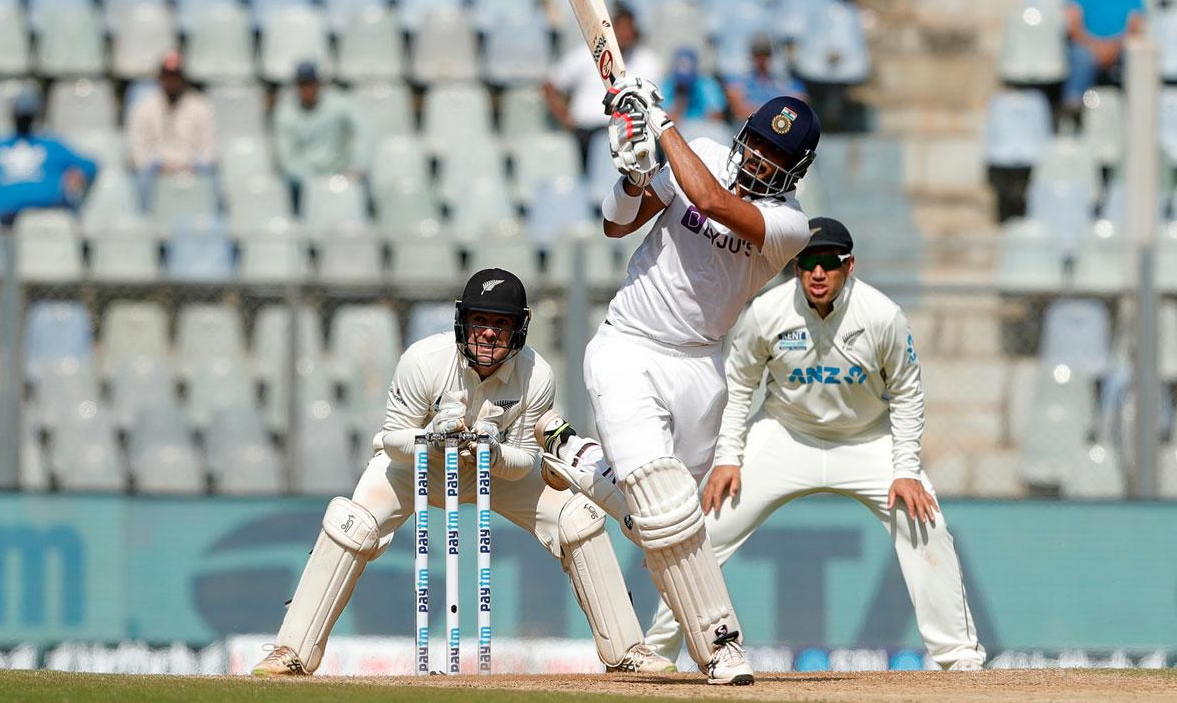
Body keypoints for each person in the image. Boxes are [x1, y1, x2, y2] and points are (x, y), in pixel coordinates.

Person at [251, 268, 674, 677]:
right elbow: (392, 440)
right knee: (352, 524)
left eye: (500, 323)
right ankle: (292, 651)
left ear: (518, 329)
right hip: (418, 465)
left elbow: (527, 458)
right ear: (462, 321)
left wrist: (494, 454)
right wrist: (429, 439)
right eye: (479, 321)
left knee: (577, 518)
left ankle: (625, 650)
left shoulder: (535, 374)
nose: (488, 333)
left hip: (497, 469)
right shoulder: (423, 360)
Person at [552, 82, 820, 685]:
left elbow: (714, 203)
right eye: (755, 147)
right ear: (744, 135)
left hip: (701, 368)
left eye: (774, 160)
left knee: (670, 525)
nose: (756, 162)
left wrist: (661, 125)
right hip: (629, 345)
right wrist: (634, 176)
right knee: (664, 506)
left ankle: (585, 463)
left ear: (795, 170)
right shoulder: (700, 149)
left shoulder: (790, 226)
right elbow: (616, 226)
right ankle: (722, 646)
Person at [641, 217, 987, 671]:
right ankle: (657, 653)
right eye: (807, 262)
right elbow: (739, 384)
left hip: (866, 439)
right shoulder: (766, 312)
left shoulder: (882, 316)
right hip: (786, 434)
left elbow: (906, 393)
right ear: (796, 265)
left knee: (926, 522)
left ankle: (959, 658)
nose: (817, 274)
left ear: (850, 266)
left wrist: (905, 469)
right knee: (707, 528)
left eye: (829, 263)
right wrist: (728, 458)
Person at [544, 2, 662, 172]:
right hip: (588, 132)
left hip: (632, 133)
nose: (625, 34)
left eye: (629, 29)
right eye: (621, 28)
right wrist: (566, 118)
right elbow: (551, 86)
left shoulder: (647, 61)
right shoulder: (586, 55)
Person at [0, 88, 97, 227]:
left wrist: (77, 175)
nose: (24, 120)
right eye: (21, 116)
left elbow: (90, 166)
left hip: (48, 216)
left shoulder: (51, 145)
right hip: (5, 221)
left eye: (27, 116)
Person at [273, 61, 372, 215]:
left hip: (339, 171)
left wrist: (356, 166)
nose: (307, 89)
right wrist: (313, 181)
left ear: (318, 84)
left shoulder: (338, 104)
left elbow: (365, 131)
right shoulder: (285, 114)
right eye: (303, 84)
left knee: (362, 185)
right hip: (303, 180)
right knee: (287, 186)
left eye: (311, 83)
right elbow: (287, 159)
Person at [1062, 0, 1143, 122]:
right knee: (1080, 56)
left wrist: (1114, 47)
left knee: (1136, 55)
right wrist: (1096, 47)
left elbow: (1135, 27)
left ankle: (1136, 111)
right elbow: (1074, 28)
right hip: (1088, 47)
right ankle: (1073, 107)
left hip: (1119, 48)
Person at [125, 51, 216, 178]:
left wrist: (188, 166)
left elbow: (208, 149)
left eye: (176, 75)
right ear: (160, 76)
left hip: (191, 169)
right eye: (167, 74)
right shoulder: (143, 107)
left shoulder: (200, 106)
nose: (172, 80)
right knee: (141, 175)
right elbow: (137, 151)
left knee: (210, 173)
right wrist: (159, 166)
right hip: (155, 172)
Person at [725, 35, 808, 122]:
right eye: (758, 55)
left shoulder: (785, 82)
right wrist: (777, 112)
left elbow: (797, 109)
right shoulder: (739, 81)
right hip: (749, 127)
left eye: (766, 54)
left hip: (778, 128)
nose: (762, 59)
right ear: (752, 55)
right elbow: (740, 112)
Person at [659, 47, 727, 125]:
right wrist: (680, 103)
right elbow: (665, 122)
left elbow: (717, 118)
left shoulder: (706, 83)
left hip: (702, 128)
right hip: (679, 129)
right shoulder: (666, 85)